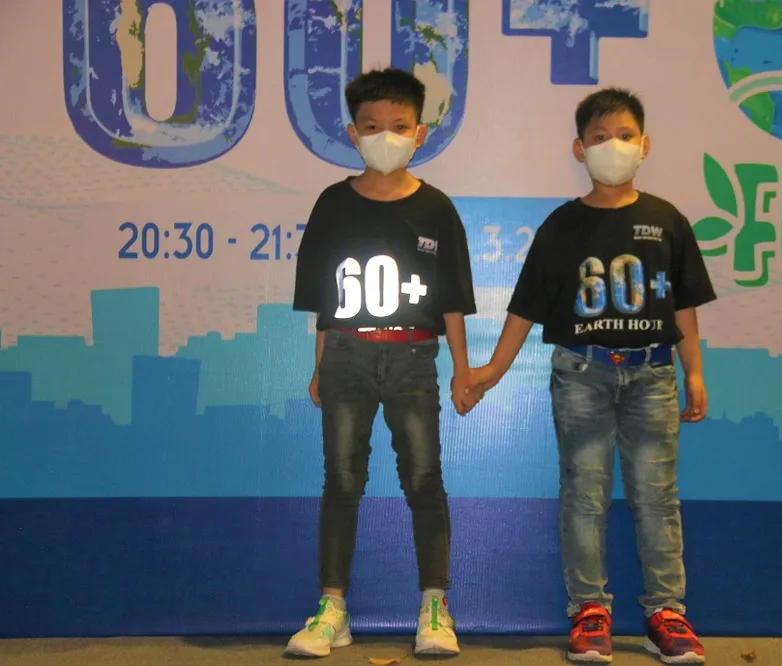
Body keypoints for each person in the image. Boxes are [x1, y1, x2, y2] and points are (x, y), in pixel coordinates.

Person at [467, 88, 716, 664]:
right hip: (581, 374)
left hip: (653, 376)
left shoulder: (667, 221)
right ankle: (589, 610)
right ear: (579, 149)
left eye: (625, 136)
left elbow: (684, 305)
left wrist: (695, 371)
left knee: (657, 497)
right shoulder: (563, 225)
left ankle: (666, 612)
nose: (613, 147)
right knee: (584, 495)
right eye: (600, 138)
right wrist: (493, 370)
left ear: (645, 145)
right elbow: (526, 306)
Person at [286, 67, 477, 658]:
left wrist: (463, 369)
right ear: (353, 133)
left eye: (399, 125)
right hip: (346, 355)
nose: (385, 136)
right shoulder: (332, 204)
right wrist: (320, 363)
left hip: (414, 358)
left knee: (424, 478)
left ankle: (434, 606)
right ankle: (332, 609)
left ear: (419, 133)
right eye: (372, 126)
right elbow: (324, 299)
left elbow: (452, 300)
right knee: (342, 480)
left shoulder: (437, 209)